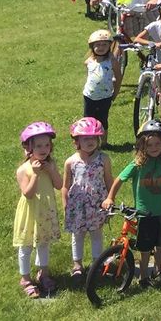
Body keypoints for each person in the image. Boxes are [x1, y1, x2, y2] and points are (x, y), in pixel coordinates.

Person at [104, 120, 161, 289]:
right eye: (149, 145)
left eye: (157, 144)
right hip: (145, 212)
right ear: (142, 146)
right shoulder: (138, 164)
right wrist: (110, 197)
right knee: (145, 247)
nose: (154, 148)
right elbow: (119, 180)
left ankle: (158, 269)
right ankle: (144, 275)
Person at [14, 122, 62, 299]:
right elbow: (27, 194)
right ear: (29, 148)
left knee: (43, 243)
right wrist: (34, 174)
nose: (44, 149)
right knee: (25, 246)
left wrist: (51, 171)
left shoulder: (50, 165)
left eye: (47, 145)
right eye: (39, 145)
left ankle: (44, 273)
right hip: (30, 213)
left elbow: (59, 185)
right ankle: (25, 279)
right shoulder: (23, 170)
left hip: (45, 212)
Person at [63, 117, 111, 284]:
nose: (90, 142)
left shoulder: (103, 159)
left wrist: (110, 198)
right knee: (78, 235)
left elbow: (109, 180)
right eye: (85, 139)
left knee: (96, 233)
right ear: (77, 141)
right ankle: (77, 265)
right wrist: (65, 203)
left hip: (97, 204)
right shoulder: (71, 162)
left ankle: (97, 263)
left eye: (93, 138)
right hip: (77, 205)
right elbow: (65, 185)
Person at [81, 29, 122, 131]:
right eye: (97, 45)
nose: (101, 47)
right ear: (92, 46)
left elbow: (118, 77)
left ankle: (103, 143)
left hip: (105, 97)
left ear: (109, 46)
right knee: (88, 120)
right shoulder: (89, 62)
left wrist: (115, 93)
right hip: (89, 96)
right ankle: (88, 140)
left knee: (103, 120)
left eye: (104, 44)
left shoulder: (112, 61)